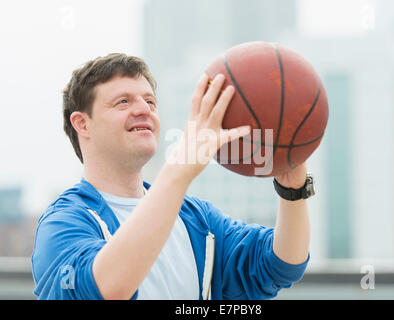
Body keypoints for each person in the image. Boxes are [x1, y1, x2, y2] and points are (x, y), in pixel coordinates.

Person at [31, 53, 312, 300]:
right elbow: (106, 289)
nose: (144, 109)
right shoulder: (63, 223)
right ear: (82, 124)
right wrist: (180, 167)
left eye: (150, 101)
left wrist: (293, 191)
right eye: (123, 102)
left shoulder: (196, 218)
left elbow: (283, 263)